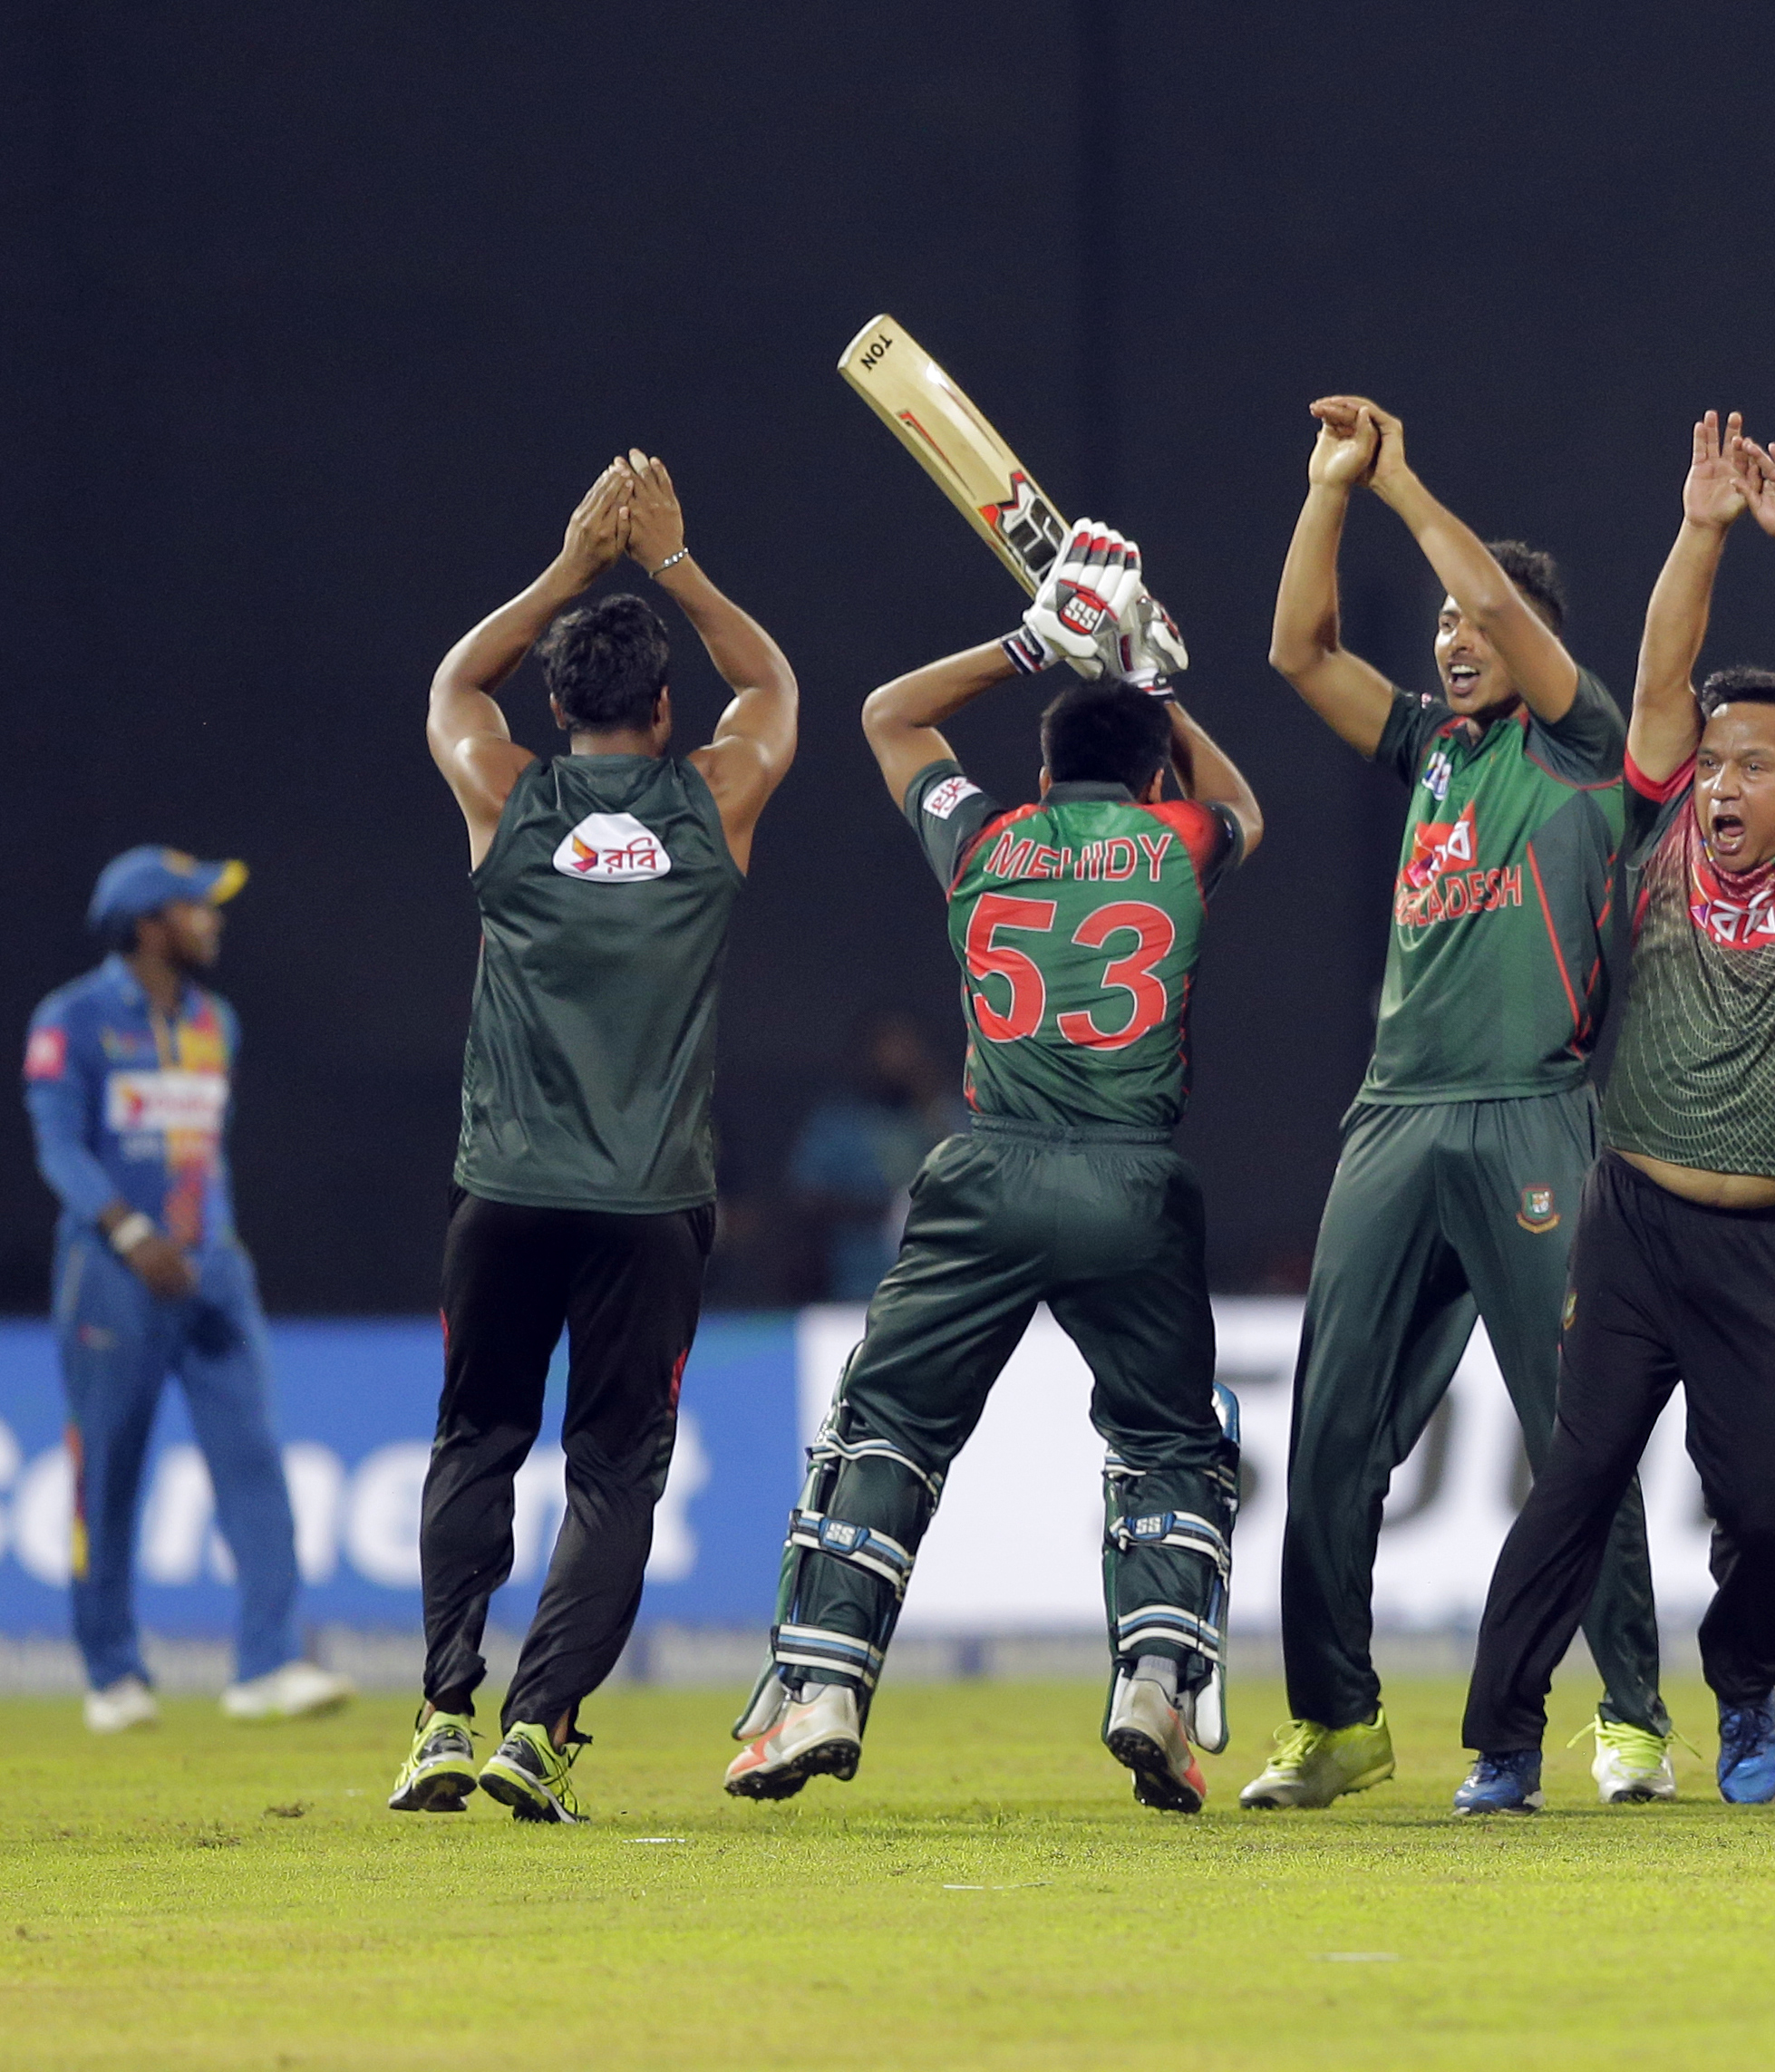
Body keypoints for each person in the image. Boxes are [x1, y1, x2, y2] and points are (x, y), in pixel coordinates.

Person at [724, 522, 1265, 1814]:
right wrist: (1161, 689)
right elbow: (1245, 808)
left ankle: (821, 1696)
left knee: (887, 1426)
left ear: (1040, 763)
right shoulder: (1179, 843)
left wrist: (1037, 641)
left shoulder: (983, 840)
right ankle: (1152, 1685)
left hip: (988, 1173)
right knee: (1167, 1443)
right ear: (1149, 778)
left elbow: (886, 716)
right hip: (1133, 1181)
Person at [1451, 415, 1775, 1815]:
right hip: (1632, 1226)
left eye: (1751, 765)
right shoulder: (1652, 837)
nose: (1719, 782)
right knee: (1573, 1479)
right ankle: (1505, 1741)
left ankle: (1748, 1688)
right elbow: (1654, 679)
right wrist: (1701, 531)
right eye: (1709, 762)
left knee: (1762, 1509)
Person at [1246, 397, 1673, 1810]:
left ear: (1531, 639)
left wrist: (1406, 477)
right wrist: (1327, 491)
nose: (1450, 637)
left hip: (1530, 1111)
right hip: (1393, 1117)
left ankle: (1628, 1712)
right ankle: (1337, 1720)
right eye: (1437, 624)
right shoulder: (1430, 747)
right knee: (1327, 1431)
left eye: (1472, 622)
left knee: (1574, 1427)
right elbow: (1295, 651)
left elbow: (1493, 594)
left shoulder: (1583, 740)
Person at [396, 454, 796, 1821]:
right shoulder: (714, 801)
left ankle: (444, 1715)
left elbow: (454, 683)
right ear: (666, 706)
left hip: (504, 1191)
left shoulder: (505, 794)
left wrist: (574, 564)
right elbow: (777, 691)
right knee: (612, 1471)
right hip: (649, 1203)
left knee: (477, 1440)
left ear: (557, 704)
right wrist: (672, 562)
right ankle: (540, 1726)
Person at [26, 847, 353, 1733]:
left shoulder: (218, 1021)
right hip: (111, 1275)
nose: (214, 918)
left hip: (212, 1270)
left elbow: (199, 1150)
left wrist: (214, 1245)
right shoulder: (74, 1020)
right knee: (110, 1472)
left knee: (253, 1461)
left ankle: (268, 1664)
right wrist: (129, 1234)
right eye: (196, 906)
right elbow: (59, 1148)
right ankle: (113, 1675)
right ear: (147, 924)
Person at [781, 1010, 959, 1302]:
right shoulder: (838, 1121)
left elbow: (979, 1185)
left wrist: (930, 1103)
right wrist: (888, 1212)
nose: (897, 1060)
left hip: (940, 1289)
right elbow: (807, 1200)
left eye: (906, 1048)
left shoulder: (944, 1113)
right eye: (887, 1048)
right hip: (859, 1288)